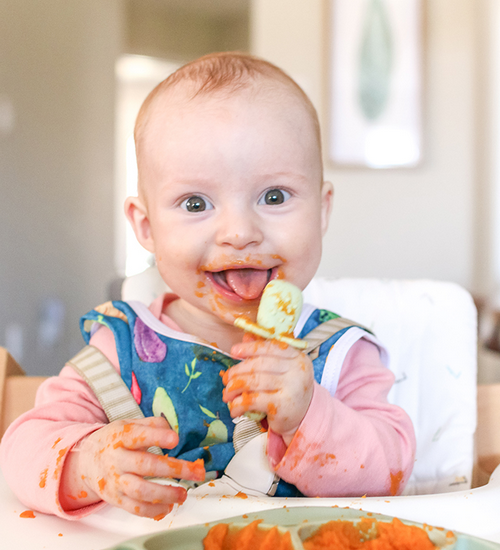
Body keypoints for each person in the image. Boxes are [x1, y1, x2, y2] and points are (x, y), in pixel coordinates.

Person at [0, 52, 415, 520]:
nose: (239, 231)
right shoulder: (119, 349)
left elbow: (393, 468)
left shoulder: (340, 351)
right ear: (147, 226)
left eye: (273, 196)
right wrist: (86, 462)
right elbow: (20, 450)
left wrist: (308, 414)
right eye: (196, 203)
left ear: (321, 212)